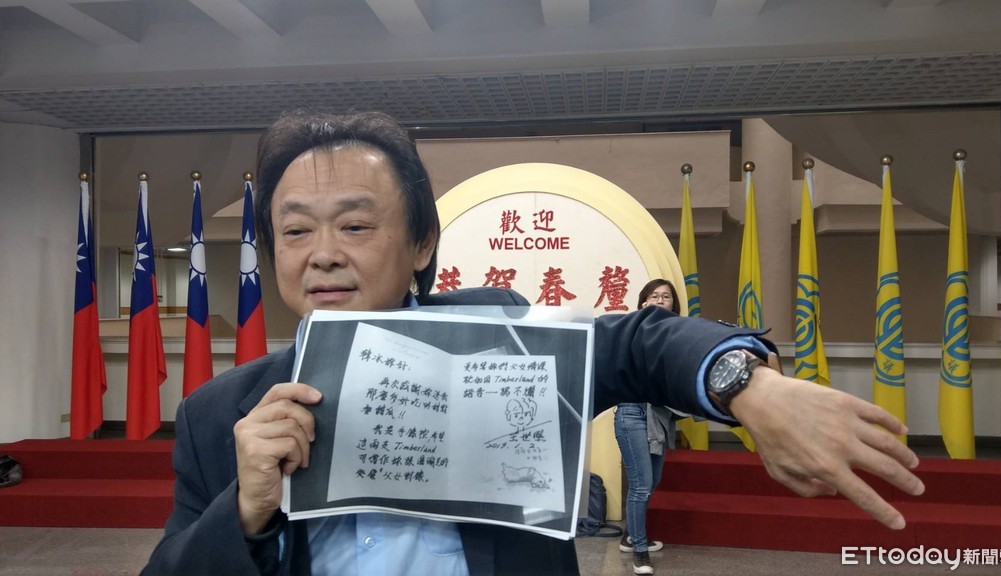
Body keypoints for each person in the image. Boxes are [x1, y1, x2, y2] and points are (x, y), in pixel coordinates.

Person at [143, 110, 925, 576]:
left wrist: (749, 385)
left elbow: (642, 344)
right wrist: (245, 512)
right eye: (294, 231)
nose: (322, 254)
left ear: (421, 243)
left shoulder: (507, 349)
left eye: (354, 225)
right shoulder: (220, 416)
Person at [614, 279, 683, 575]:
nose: (660, 300)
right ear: (643, 302)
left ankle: (630, 537)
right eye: (654, 296)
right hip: (632, 412)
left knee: (651, 482)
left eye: (665, 297)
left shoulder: (677, 335)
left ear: (673, 304)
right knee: (641, 485)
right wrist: (643, 322)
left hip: (658, 415)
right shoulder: (633, 331)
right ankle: (640, 552)